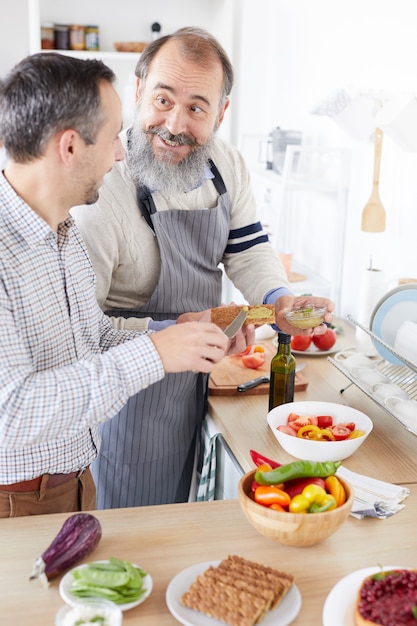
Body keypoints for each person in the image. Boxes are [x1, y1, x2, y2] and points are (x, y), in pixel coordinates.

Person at [71, 27, 334, 509]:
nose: (174, 124)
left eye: (196, 108)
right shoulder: (102, 187)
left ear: (221, 112)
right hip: (125, 400)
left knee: (177, 516)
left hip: (195, 384)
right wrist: (171, 333)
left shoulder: (224, 166)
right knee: (131, 534)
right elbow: (80, 331)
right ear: (138, 91)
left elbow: (248, 249)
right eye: (163, 99)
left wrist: (279, 299)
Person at [0, 51, 232, 518]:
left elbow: (95, 337)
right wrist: (155, 355)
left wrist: (172, 333)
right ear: (70, 147)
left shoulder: (63, 233)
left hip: (76, 481)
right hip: (16, 502)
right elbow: (12, 415)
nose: (123, 151)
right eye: (112, 138)